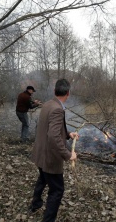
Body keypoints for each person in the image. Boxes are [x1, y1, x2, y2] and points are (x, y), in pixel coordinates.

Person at [29, 79, 78, 222]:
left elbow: (50, 128)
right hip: (50, 157)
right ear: (68, 93)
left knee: (42, 179)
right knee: (57, 190)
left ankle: (35, 204)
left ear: (54, 91)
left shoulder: (48, 104)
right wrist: (68, 155)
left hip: (40, 154)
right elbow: (53, 136)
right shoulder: (57, 109)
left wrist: (68, 134)